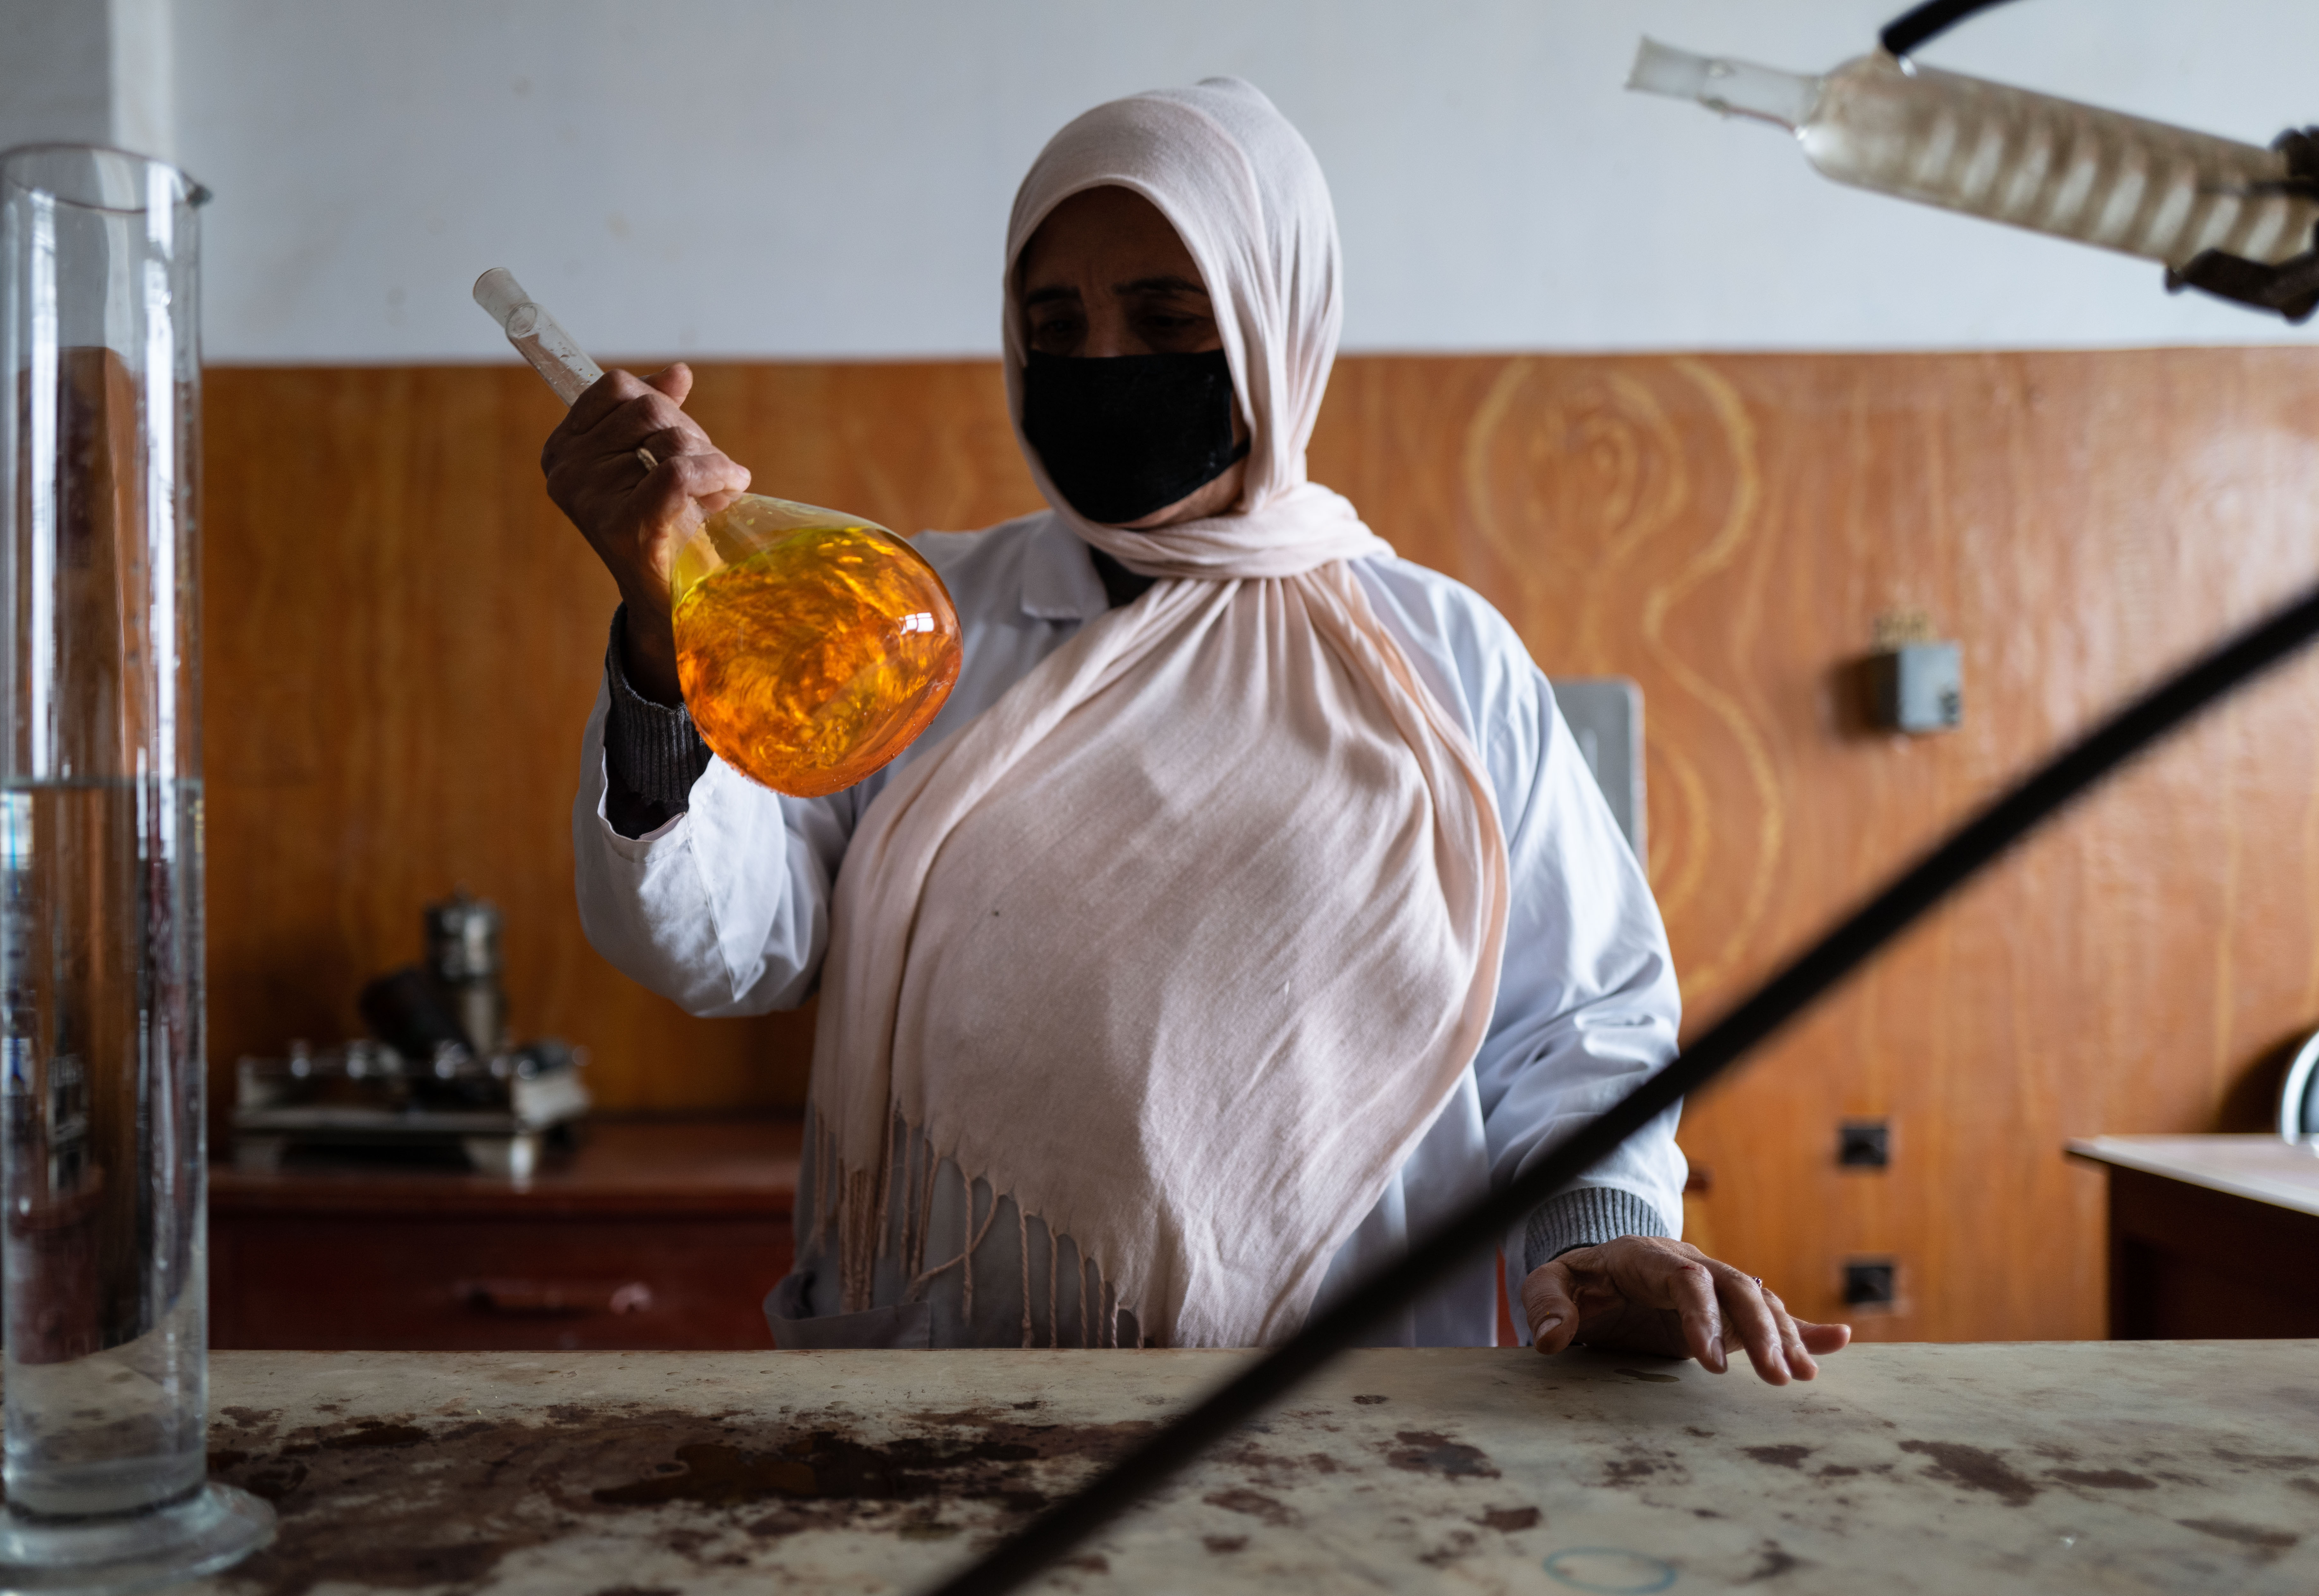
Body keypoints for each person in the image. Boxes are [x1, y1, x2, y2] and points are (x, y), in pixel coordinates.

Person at [543, 78, 1848, 1381]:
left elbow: (1578, 1025)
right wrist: (664, 640)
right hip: (958, 1392)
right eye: (1056, 324)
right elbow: (735, 948)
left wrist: (1597, 1237)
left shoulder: (1438, 659)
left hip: (1354, 1408)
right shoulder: (911, 620)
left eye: (1166, 317)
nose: (1103, 363)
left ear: (1278, 320)